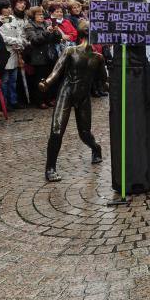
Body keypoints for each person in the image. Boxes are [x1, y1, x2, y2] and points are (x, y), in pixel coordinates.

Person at [40, 20, 107, 182]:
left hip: (83, 96)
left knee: (84, 133)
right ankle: (50, 168)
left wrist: (114, 86)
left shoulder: (99, 57)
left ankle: (96, 149)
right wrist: (46, 83)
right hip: (66, 92)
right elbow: (57, 71)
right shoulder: (70, 51)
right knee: (57, 131)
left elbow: (102, 80)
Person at [25, 7, 61, 109]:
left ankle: (49, 98)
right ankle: (40, 100)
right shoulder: (29, 26)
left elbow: (57, 40)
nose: (41, 16)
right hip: (38, 56)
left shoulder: (47, 24)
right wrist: (46, 32)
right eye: (38, 15)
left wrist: (56, 32)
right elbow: (35, 40)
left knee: (50, 78)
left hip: (50, 55)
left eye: (42, 14)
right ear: (33, 16)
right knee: (40, 79)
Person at [0, 0, 29, 109]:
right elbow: (3, 37)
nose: (8, 9)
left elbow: (19, 32)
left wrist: (20, 42)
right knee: (5, 80)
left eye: (8, 7)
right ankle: (5, 103)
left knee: (13, 80)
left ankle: (13, 100)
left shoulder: (11, 18)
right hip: (5, 52)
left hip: (16, 52)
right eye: (5, 8)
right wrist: (16, 40)